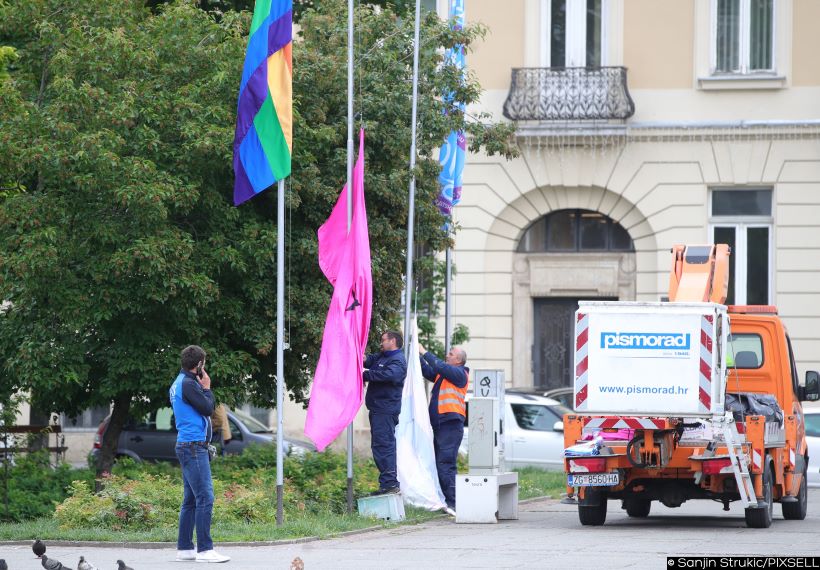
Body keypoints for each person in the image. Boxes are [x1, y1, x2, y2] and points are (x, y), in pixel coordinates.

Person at [169, 345, 230, 564]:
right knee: (205, 496)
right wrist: (207, 387)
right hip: (194, 447)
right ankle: (205, 549)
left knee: (191, 499)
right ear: (200, 364)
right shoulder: (189, 384)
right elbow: (207, 408)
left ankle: (185, 548)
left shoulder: (178, 383)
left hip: (188, 445)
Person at [419, 343, 469, 515]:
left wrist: (424, 351)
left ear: (458, 361)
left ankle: (454, 503)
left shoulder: (459, 373)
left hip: (450, 424)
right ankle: (448, 501)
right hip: (442, 424)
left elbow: (438, 365)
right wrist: (415, 356)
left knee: (445, 464)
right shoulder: (445, 374)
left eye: (451, 353)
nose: (447, 355)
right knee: (441, 463)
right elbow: (428, 371)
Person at [363, 330, 408, 495]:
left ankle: (389, 484)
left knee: (384, 445)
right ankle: (387, 484)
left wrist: (365, 375)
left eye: (383, 340)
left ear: (393, 341)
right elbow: (370, 360)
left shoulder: (398, 360)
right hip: (377, 409)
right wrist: (362, 358)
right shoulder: (383, 356)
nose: (381, 343)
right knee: (379, 446)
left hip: (385, 409)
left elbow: (389, 375)